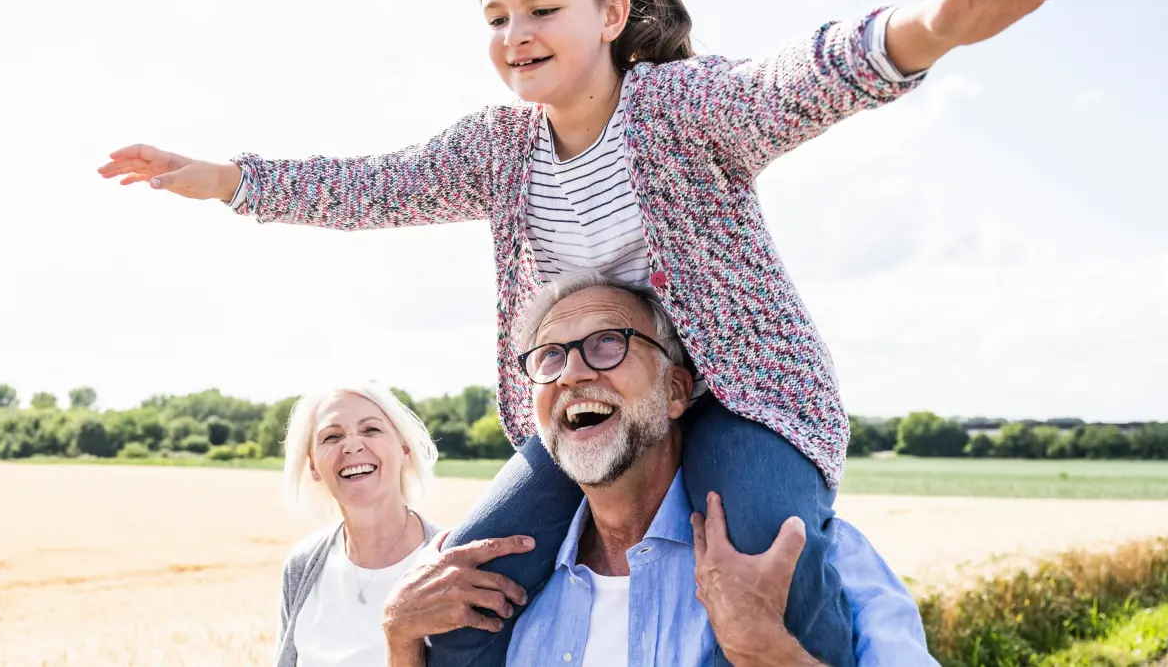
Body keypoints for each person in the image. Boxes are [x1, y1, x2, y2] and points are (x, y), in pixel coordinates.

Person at [98, 0, 1114, 665]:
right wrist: (228, 180)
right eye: (495, 19)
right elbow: (371, 185)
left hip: (745, 403)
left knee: (762, 552)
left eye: (541, 8)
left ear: (613, 11)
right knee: (460, 588)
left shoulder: (681, 110)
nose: (514, 37)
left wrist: (933, 28)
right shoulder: (496, 151)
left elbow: (798, 79)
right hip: (593, 404)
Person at [380, 273, 938, 666]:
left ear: (675, 391)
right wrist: (399, 640)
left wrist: (765, 648)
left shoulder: (804, 550)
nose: (572, 372)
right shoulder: (491, 585)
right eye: (549, 356)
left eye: (607, 343)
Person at [274, 382, 442, 667]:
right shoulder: (302, 565)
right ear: (313, 465)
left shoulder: (447, 563)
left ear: (404, 450)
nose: (352, 446)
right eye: (331, 436)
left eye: (371, 430)